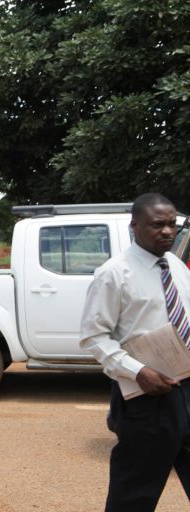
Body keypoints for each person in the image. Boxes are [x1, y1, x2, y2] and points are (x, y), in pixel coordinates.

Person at [80, 193, 190, 511]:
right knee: (134, 494)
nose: (167, 231)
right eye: (158, 225)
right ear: (135, 226)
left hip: (187, 389)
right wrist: (138, 371)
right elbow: (93, 337)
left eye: (172, 224)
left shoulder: (178, 268)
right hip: (146, 398)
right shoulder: (114, 274)